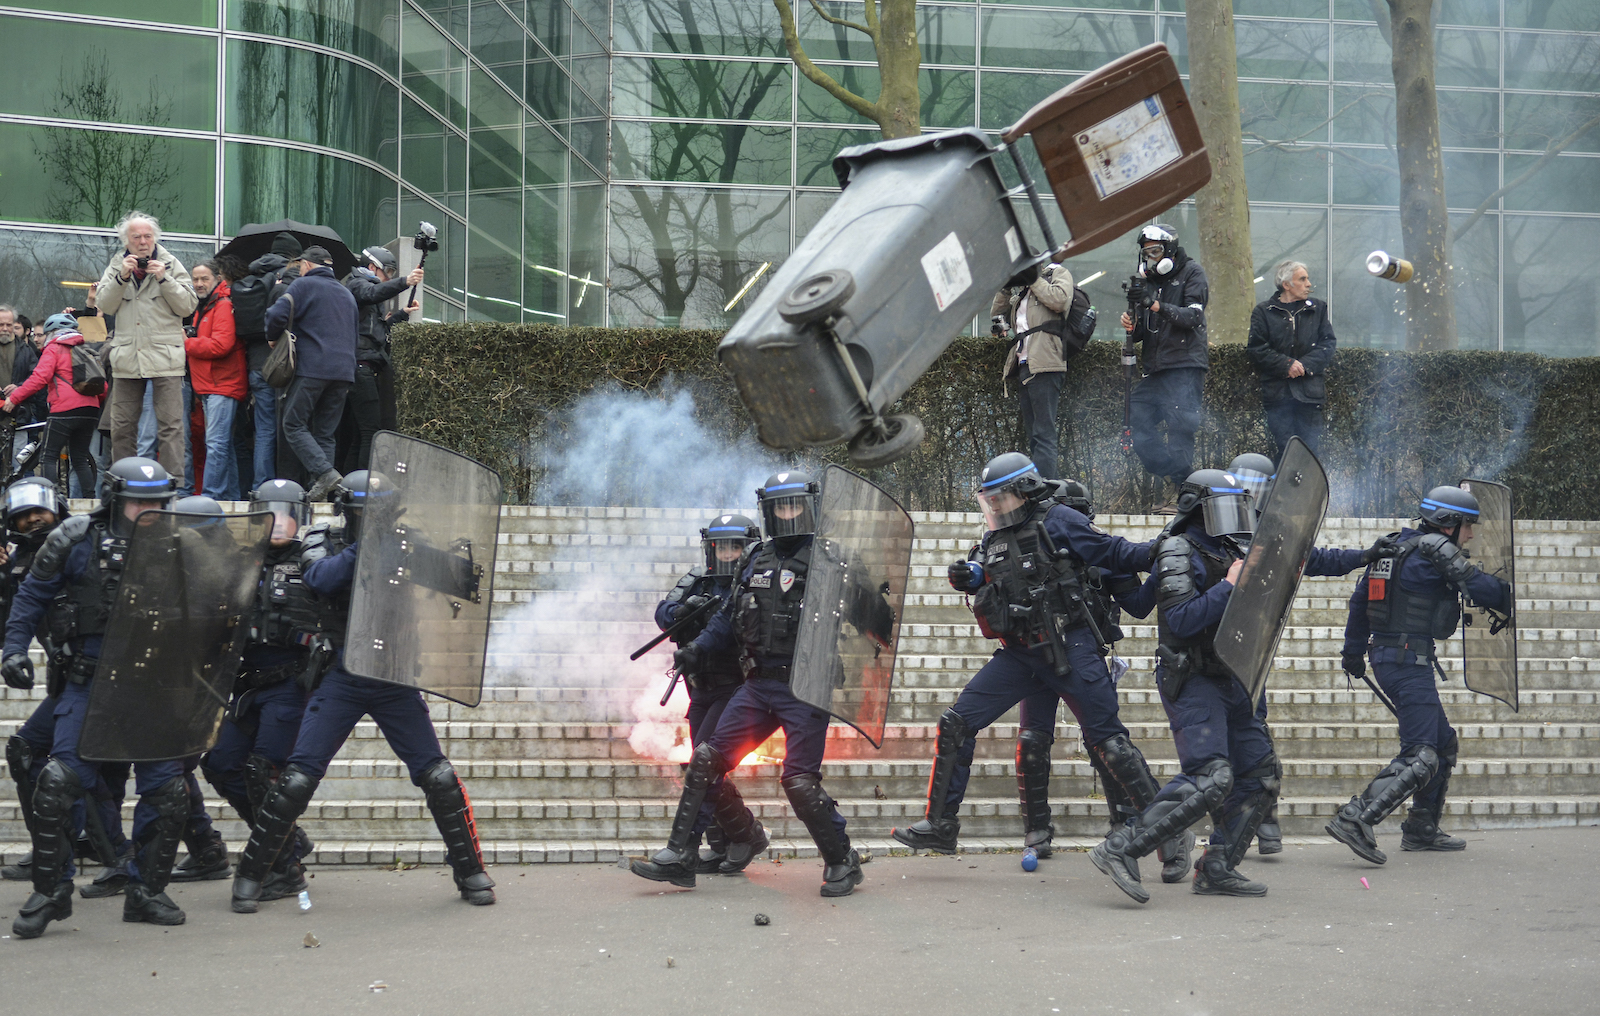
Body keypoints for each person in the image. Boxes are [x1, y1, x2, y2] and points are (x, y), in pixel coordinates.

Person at [1088, 469, 1396, 903]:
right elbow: (1179, 619)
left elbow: (1305, 558)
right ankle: (1120, 849)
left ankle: (1217, 867)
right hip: (1192, 677)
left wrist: (1364, 555)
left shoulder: (1234, 545)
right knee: (1211, 776)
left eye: (1239, 506)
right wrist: (1232, 583)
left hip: (1235, 673)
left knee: (1260, 775)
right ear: (1198, 508)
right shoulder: (1177, 548)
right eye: (1224, 507)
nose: (1235, 517)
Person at [887, 455, 1196, 876]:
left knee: (1108, 743)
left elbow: (1115, 553)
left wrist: (1166, 549)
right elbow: (987, 571)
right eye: (989, 501)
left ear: (1027, 489)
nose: (995, 508)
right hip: (1021, 653)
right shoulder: (993, 536)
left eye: (1003, 498)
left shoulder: (1061, 519)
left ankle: (1168, 830)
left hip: (1071, 649)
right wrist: (971, 577)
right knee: (958, 722)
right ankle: (941, 825)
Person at [230, 470, 495, 912]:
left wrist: (458, 562)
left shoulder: (406, 541)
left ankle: (471, 872)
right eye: (365, 513)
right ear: (347, 513)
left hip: (393, 676)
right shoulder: (322, 540)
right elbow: (321, 580)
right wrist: (371, 544)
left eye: (383, 513)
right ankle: (254, 874)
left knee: (438, 775)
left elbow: (462, 585)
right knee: (297, 777)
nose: (374, 518)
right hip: (343, 675)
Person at [631, 471, 888, 897]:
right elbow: (726, 617)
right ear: (769, 511)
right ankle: (681, 856)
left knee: (799, 781)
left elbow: (873, 623)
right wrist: (697, 649)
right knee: (706, 759)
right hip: (758, 684)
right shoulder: (756, 558)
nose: (788, 513)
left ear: (809, 508)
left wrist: (867, 600)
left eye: (794, 505)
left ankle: (842, 861)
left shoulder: (832, 558)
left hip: (806, 685)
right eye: (780, 506)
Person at [4, 457, 192, 937]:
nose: (148, 511)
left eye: (157, 503)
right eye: (138, 503)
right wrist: (13, 650)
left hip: (154, 686)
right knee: (57, 783)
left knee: (168, 794)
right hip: (91, 683)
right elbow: (31, 597)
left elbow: (216, 607)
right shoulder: (75, 538)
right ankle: (51, 891)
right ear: (113, 499)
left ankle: (146, 892)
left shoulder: (180, 542)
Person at [1328, 485, 1511, 865]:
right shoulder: (1436, 549)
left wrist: (1353, 651)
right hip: (1407, 659)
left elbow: (1360, 600)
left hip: (1390, 655)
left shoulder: (1394, 547)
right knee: (1421, 753)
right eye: (1468, 525)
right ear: (1448, 523)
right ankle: (1356, 818)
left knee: (1442, 745)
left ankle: (1421, 828)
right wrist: (1511, 594)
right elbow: (1477, 586)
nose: (1471, 534)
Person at [198, 479, 320, 900]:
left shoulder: (316, 563)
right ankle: (286, 838)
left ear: (300, 518)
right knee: (220, 763)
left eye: (287, 513)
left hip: (290, 685)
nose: (279, 521)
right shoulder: (240, 561)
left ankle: (285, 869)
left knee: (264, 773)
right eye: (270, 512)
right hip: (246, 687)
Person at [651, 513, 768, 874]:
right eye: (722, 545)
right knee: (701, 767)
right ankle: (726, 843)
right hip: (698, 690)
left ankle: (745, 834)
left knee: (702, 766)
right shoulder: (696, 580)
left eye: (735, 545)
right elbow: (663, 611)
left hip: (733, 689)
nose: (728, 552)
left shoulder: (753, 583)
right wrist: (681, 612)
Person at [96, 211, 197, 478]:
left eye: (148, 236)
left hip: (165, 356)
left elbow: (188, 305)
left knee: (171, 426)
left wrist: (165, 279)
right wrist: (121, 278)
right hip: (128, 356)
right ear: (126, 241)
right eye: (136, 237)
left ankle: (172, 484)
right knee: (122, 425)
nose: (143, 242)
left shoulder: (171, 263)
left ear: (155, 238)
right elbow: (104, 305)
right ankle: (124, 481)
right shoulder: (117, 264)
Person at [1119, 223, 1209, 511]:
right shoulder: (1150, 282)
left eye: (1156, 251)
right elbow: (1144, 332)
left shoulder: (1192, 273)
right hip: (1156, 369)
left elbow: (1193, 317)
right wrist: (1132, 326)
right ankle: (1179, 477)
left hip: (1184, 365)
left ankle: (1181, 495)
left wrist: (1155, 305)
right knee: (1135, 414)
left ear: (1169, 250)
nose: (1152, 258)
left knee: (1181, 426)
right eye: (1147, 253)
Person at [264, 246, 359, 501]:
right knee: (325, 433)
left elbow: (276, 314)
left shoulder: (303, 286)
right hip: (344, 372)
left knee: (293, 424)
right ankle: (323, 493)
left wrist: (272, 338)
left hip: (313, 369)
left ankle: (325, 473)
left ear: (306, 265)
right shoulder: (347, 293)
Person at [2, 314, 105, 498]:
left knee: (48, 456)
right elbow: (103, 388)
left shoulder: (55, 348)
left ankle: (53, 500)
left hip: (64, 410)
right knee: (80, 459)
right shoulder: (85, 349)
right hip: (90, 410)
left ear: (52, 333)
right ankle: (90, 501)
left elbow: (39, 378)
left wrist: (14, 398)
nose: (40, 338)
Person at [990, 262, 1075, 480]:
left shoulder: (1056, 274)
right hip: (1024, 365)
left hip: (1046, 364)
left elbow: (1060, 300)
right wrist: (1007, 286)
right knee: (1034, 435)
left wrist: (1033, 277)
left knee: (1043, 433)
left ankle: (1047, 489)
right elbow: (997, 313)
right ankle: (1047, 486)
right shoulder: (1023, 293)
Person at [1246, 261, 1336, 462]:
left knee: (1310, 451)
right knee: (1284, 449)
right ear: (1286, 284)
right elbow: (1256, 349)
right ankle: (1283, 493)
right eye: (1302, 279)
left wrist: (1304, 366)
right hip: (1278, 393)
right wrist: (1286, 364)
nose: (1308, 284)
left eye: (1307, 278)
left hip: (1310, 394)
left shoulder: (1318, 309)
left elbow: (1328, 344)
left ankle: (1309, 493)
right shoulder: (1263, 311)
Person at [342, 246, 422, 472]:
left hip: (365, 365)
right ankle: (364, 489)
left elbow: (378, 333)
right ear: (371, 267)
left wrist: (401, 315)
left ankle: (350, 487)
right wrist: (405, 281)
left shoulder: (369, 291)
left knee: (360, 435)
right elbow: (372, 293)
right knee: (371, 432)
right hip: (360, 366)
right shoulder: (357, 284)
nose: (388, 277)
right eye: (386, 271)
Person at [235, 233, 303, 489]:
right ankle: (278, 487)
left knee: (262, 429)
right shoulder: (288, 277)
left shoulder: (251, 276)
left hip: (255, 364)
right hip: (280, 365)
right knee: (284, 429)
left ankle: (258, 487)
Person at [185, 261, 247, 500]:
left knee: (216, 444)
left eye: (204, 279)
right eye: (195, 279)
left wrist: (186, 343)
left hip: (222, 385)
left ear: (217, 278)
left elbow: (221, 345)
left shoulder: (221, 305)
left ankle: (211, 497)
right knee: (223, 446)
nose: (199, 284)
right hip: (210, 386)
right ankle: (230, 498)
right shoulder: (205, 306)